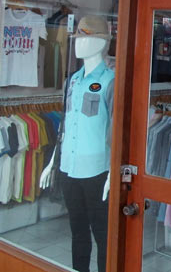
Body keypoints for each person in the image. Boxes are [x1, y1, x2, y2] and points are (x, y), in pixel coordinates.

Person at [40, 15, 114, 272]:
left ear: (101, 43)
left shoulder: (111, 82)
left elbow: (116, 131)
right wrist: (53, 161)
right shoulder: (72, 80)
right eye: (77, 38)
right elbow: (66, 123)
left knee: (103, 235)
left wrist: (112, 173)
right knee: (77, 232)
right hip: (69, 168)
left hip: (96, 172)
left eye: (84, 38)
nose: (78, 43)